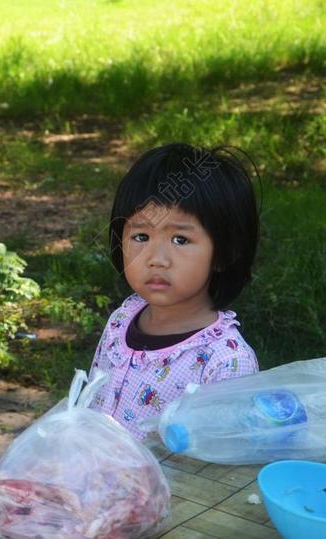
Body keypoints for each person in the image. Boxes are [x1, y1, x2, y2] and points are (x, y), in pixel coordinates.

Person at [88, 143, 260, 440]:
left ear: (224, 252)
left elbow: (219, 460)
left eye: (180, 240)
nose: (157, 258)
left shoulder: (225, 362)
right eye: (141, 236)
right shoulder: (121, 320)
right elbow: (90, 404)